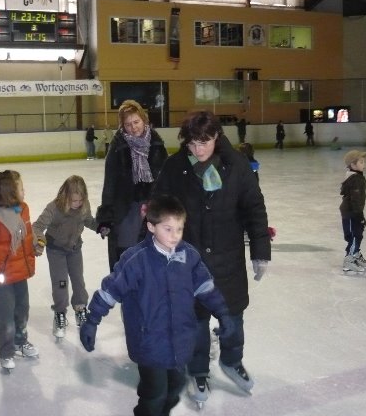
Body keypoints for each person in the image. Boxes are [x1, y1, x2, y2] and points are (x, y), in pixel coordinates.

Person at [151, 111, 271, 402]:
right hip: (188, 261)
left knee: (232, 318)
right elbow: (159, 208)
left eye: (203, 142)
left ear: (217, 136)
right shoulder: (175, 167)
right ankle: (198, 370)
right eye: (192, 143)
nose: (198, 149)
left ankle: (231, 360)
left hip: (228, 259)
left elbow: (254, 208)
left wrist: (260, 252)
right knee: (195, 321)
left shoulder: (237, 165)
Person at [79, 195, 231, 414]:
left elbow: (206, 288)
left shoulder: (189, 256)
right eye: (168, 229)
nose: (175, 235)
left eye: (179, 229)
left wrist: (223, 314)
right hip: (149, 341)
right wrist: (92, 320)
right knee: (154, 393)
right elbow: (110, 290)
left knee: (175, 387)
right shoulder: (136, 259)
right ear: (151, 226)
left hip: (180, 340)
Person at [0, 170, 40, 371]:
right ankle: (6, 352)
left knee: (22, 311)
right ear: (10, 193)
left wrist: (36, 245)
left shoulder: (23, 210)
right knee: (6, 318)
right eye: (21, 188)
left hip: (20, 273)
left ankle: (20, 342)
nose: (24, 191)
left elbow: (27, 235)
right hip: (3, 278)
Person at [96, 99, 168, 271]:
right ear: (122, 126)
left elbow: (165, 180)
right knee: (126, 255)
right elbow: (110, 183)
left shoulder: (156, 145)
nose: (133, 127)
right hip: (126, 208)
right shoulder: (118, 148)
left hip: (153, 207)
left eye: (136, 122)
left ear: (144, 120)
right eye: (128, 124)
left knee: (154, 256)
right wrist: (106, 215)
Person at [32, 175, 101, 339]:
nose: (77, 204)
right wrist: (40, 241)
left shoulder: (84, 206)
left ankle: (80, 309)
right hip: (56, 250)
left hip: (75, 249)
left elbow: (88, 220)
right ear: (65, 196)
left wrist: (101, 227)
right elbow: (37, 227)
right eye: (74, 201)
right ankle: (60, 313)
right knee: (61, 283)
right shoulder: (54, 208)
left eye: (80, 200)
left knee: (78, 281)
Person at [339, 150, 366, 273]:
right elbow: (355, 199)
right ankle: (349, 260)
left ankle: (355, 254)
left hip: (352, 211)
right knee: (354, 236)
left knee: (357, 235)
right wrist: (359, 215)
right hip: (352, 212)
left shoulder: (356, 177)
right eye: (361, 162)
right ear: (353, 165)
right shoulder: (356, 179)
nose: (364, 164)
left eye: (364, 161)